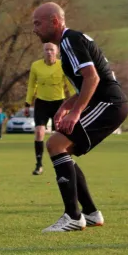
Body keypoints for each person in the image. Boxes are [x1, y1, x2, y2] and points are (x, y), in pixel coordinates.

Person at [32, 2, 128, 233]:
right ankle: (91, 213)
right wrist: (65, 106)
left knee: (55, 144)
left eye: (38, 23)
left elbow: (92, 79)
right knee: (62, 150)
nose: (34, 29)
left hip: (109, 104)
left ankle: (73, 217)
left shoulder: (69, 41)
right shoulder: (70, 42)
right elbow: (86, 84)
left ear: (54, 21)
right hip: (109, 104)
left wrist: (75, 113)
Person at [25, 42, 76, 176]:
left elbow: (69, 85)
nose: (49, 52)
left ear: (57, 51)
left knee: (60, 136)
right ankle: (39, 165)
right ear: (43, 51)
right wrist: (27, 103)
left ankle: (66, 164)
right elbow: (31, 85)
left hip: (59, 103)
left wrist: (75, 101)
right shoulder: (36, 66)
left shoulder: (63, 65)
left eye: (51, 50)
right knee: (39, 133)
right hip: (41, 103)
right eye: (46, 50)